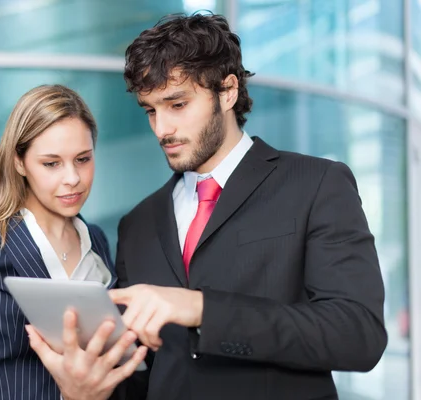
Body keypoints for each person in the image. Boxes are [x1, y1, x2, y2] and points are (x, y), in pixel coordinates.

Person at [28, 13, 388, 400]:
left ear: (227, 91)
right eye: (151, 110)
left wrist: (202, 309)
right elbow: (141, 378)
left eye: (177, 104)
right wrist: (89, 389)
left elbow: (358, 334)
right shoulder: (138, 223)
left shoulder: (315, 184)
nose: (161, 128)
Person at [0, 84, 147, 400]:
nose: (72, 178)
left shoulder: (98, 243)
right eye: (51, 163)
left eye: (83, 159)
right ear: (19, 163)